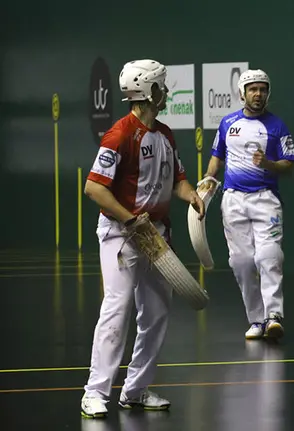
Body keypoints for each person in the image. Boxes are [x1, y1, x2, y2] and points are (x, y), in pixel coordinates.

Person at [80, 59, 206, 418]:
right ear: (149, 91)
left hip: (156, 235)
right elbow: (94, 188)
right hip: (121, 235)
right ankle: (95, 392)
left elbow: (177, 178)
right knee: (117, 309)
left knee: (156, 312)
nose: (166, 92)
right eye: (161, 86)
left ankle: (134, 390)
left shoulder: (165, 133)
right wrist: (131, 219)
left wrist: (191, 194)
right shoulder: (119, 134)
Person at [201, 69, 294, 340]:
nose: (258, 94)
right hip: (233, 199)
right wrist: (209, 178)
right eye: (253, 89)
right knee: (241, 262)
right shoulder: (227, 123)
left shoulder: (277, 126)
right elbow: (217, 157)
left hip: (265, 199)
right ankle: (256, 320)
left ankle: (273, 315)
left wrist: (267, 163)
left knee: (269, 256)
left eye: (263, 89)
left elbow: (289, 165)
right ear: (242, 93)